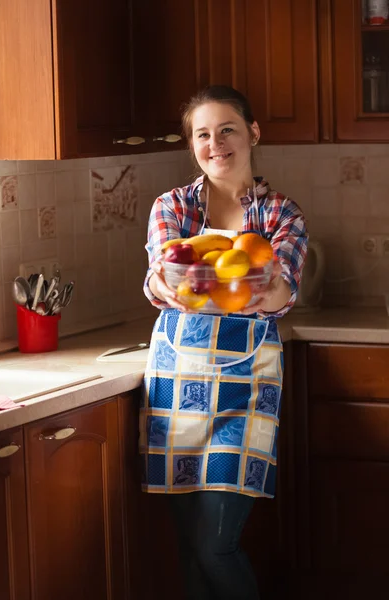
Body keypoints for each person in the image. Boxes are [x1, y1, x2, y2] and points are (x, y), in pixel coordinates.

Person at [140, 85, 308, 600]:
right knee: (190, 548)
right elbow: (158, 275)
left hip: (246, 390)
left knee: (216, 545)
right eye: (203, 134)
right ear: (192, 143)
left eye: (227, 129)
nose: (216, 144)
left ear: (253, 132)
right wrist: (165, 284)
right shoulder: (171, 206)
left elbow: (282, 290)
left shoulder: (281, 214)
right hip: (176, 386)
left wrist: (266, 286)